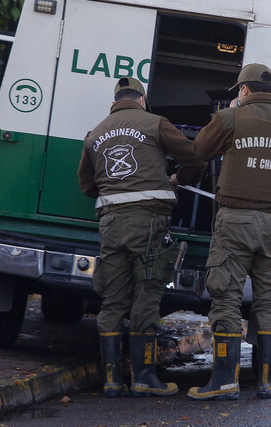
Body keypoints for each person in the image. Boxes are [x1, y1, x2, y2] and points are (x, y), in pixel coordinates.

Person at [78, 77, 206, 398]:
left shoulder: (95, 134)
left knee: (112, 301)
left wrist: (115, 190)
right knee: (146, 296)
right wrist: (178, 178)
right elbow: (194, 157)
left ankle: (111, 381)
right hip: (147, 223)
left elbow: (87, 185)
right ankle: (144, 377)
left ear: (115, 100)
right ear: (143, 99)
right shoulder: (155, 124)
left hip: (110, 223)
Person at [187, 63, 271, 400]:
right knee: (270, 300)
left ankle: (225, 381)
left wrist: (225, 117)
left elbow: (199, 151)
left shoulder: (230, 119)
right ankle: (266, 381)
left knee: (225, 296)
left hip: (235, 222)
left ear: (243, 91)